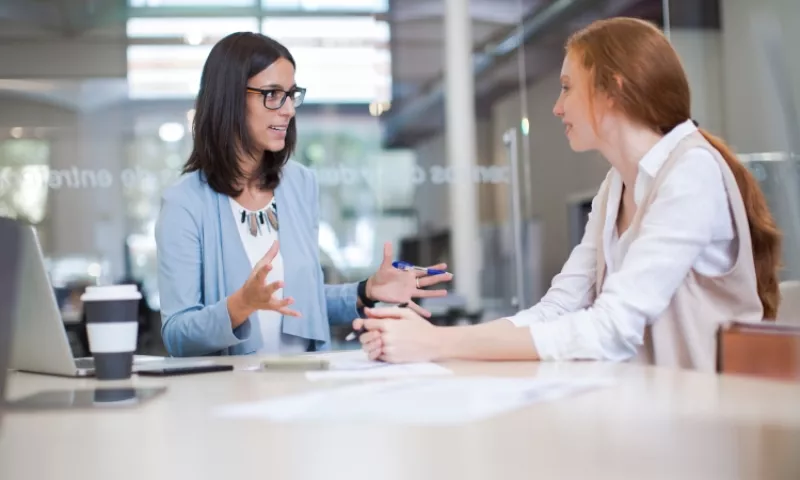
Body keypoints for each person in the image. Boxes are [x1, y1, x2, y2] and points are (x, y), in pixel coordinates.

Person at [354, 17, 782, 371]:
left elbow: (612, 327)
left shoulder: (692, 173)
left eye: (567, 87)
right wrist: (433, 340)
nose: (557, 107)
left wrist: (437, 343)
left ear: (611, 90)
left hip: (709, 422)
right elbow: (556, 309)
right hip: (648, 408)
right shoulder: (615, 185)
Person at [155, 32, 452, 357]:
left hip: (303, 384)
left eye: (291, 95)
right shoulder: (185, 203)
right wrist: (240, 305)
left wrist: (367, 291)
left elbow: (304, 301)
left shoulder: (299, 183)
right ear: (229, 98)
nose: (288, 110)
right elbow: (176, 335)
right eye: (272, 94)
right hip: (232, 394)